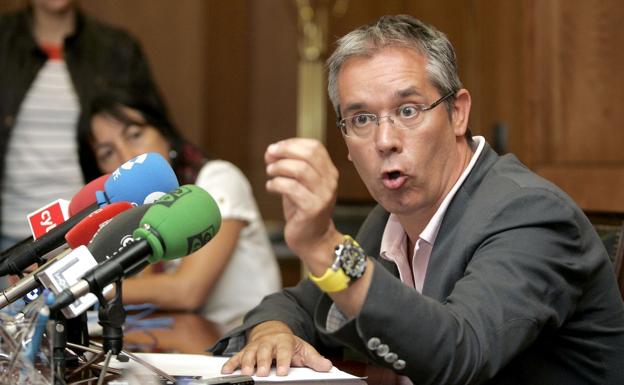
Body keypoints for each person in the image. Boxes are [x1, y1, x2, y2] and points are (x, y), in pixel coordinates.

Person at [210, 15, 624, 384]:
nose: (385, 140)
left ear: (457, 113)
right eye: (361, 119)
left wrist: (324, 246)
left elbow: (461, 357)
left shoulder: (530, 213)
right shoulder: (388, 219)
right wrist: (272, 334)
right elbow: (294, 303)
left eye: (408, 111)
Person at [78, 91, 282, 326]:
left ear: (164, 132)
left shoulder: (217, 179)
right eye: (107, 153)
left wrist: (82, 287)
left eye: (134, 135)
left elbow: (187, 291)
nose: (126, 157)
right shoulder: (134, 209)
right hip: (184, 339)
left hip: (248, 337)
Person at [0, 0, 167, 251]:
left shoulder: (116, 48)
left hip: (89, 232)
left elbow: (151, 131)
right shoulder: (4, 42)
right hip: (9, 235)